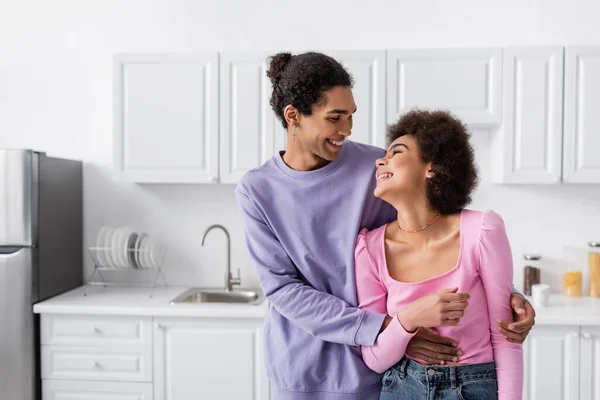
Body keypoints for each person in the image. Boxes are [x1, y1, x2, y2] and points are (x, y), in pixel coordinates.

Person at [235, 51, 534, 400]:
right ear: (293, 117)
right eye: (335, 118)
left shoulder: (374, 168)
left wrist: (508, 295)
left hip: (379, 365)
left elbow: (432, 235)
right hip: (303, 366)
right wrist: (392, 326)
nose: (346, 130)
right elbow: (283, 288)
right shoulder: (258, 190)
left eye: (350, 116)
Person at [354, 109, 523, 400]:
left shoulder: (481, 230)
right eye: (384, 155)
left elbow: (506, 338)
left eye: (397, 152)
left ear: (431, 168)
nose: (381, 160)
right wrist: (409, 319)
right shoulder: (369, 248)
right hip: (402, 385)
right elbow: (374, 358)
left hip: (474, 385)